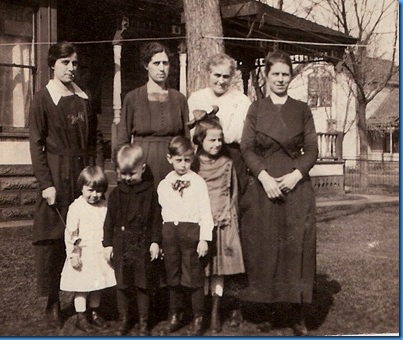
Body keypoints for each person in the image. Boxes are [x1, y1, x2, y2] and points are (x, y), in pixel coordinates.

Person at [239, 50, 318, 336]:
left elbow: (312, 149)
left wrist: (297, 174)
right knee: (264, 248)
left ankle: (298, 314)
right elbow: (247, 146)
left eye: (286, 74)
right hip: (263, 187)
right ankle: (267, 310)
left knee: (297, 247)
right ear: (267, 75)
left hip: (296, 186)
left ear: (291, 76)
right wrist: (263, 176)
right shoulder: (256, 109)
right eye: (276, 74)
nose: (281, 79)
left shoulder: (302, 109)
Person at [29, 41, 99, 329]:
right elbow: (36, 145)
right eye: (65, 63)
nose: (72, 68)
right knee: (55, 238)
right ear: (52, 65)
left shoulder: (84, 97)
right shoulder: (42, 99)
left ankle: (88, 302)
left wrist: (96, 173)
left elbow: (95, 139)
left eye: (74, 63)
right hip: (57, 175)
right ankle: (53, 302)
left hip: (82, 174)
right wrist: (46, 183)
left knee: (88, 235)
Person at [190, 116, 245, 333]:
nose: (217, 144)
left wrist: (232, 221)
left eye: (220, 140)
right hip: (201, 226)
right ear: (200, 140)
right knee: (202, 271)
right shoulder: (193, 164)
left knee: (218, 271)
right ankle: (200, 313)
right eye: (212, 140)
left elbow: (233, 195)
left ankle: (215, 313)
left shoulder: (228, 163)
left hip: (223, 223)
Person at [103, 144, 162, 336]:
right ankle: (124, 319)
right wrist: (108, 244)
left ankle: (144, 321)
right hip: (121, 244)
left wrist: (155, 241)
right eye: (124, 174)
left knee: (142, 283)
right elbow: (109, 221)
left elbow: (155, 220)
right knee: (123, 284)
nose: (128, 178)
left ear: (142, 169)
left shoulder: (150, 193)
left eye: (132, 174)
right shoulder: (115, 195)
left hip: (142, 244)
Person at [157, 136, 214, 336]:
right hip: (170, 235)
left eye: (187, 160)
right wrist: (161, 240)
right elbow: (161, 213)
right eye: (179, 160)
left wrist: (204, 238)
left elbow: (205, 211)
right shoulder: (164, 184)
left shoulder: (198, 183)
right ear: (169, 158)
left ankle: (198, 317)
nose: (183, 164)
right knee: (172, 277)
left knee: (194, 278)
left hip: (191, 234)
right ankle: (175, 315)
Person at [115, 41, 189, 188]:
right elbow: (122, 140)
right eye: (156, 63)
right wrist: (125, 169)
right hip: (142, 165)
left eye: (165, 63)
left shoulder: (179, 99)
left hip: (171, 166)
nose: (162, 68)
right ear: (146, 65)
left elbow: (186, 139)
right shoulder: (133, 98)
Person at [60, 166, 116, 333]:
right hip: (83, 254)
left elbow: (108, 227)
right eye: (90, 190)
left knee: (97, 285)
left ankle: (94, 312)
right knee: (82, 287)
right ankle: (81, 316)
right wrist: (73, 254)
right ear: (82, 187)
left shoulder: (104, 206)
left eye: (99, 191)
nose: (94, 195)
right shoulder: (76, 207)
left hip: (98, 253)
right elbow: (71, 233)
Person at [188, 53, 251, 194]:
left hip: (234, 156)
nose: (221, 81)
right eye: (217, 75)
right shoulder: (197, 98)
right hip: (204, 159)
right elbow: (191, 133)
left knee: (234, 201)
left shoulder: (242, 100)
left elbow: (247, 137)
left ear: (232, 77)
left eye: (226, 76)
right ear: (208, 74)